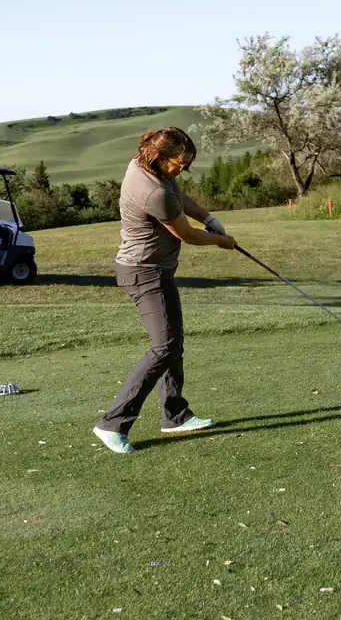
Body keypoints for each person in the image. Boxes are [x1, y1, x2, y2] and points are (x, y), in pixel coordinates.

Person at [92, 126, 238, 454]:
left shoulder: (149, 167)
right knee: (164, 346)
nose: (181, 170)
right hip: (145, 272)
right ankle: (112, 423)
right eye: (178, 164)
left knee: (172, 344)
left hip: (155, 270)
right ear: (158, 157)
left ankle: (175, 415)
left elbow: (177, 196)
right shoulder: (149, 190)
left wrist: (208, 216)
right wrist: (221, 241)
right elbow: (187, 233)